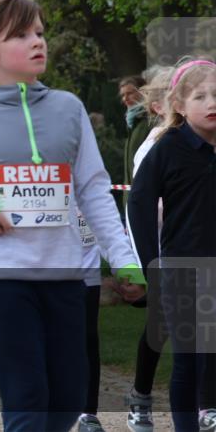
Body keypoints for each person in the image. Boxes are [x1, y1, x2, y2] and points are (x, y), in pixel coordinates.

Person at [0, 0, 145, 432]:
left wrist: (124, 261)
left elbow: (96, 190)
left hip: (67, 279)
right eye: (21, 35)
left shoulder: (68, 109)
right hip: (1, 280)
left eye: (39, 31)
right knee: (27, 401)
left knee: (67, 400)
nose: (38, 41)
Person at [127, 58, 216, 432]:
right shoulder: (167, 148)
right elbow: (139, 204)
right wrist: (152, 264)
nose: (211, 102)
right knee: (189, 359)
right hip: (183, 267)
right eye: (200, 96)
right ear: (178, 105)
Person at [124, 66, 175, 432]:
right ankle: (141, 396)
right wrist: (147, 260)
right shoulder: (153, 146)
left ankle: (205, 404)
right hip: (166, 248)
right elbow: (140, 207)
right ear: (158, 106)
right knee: (161, 327)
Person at [120, 75, 149, 214]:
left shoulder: (150, 121)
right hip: (131, 200)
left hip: (145, 200)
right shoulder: (132, 123)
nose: (125, 99)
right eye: (123, 95)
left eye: (129, 93)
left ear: (142, 92)